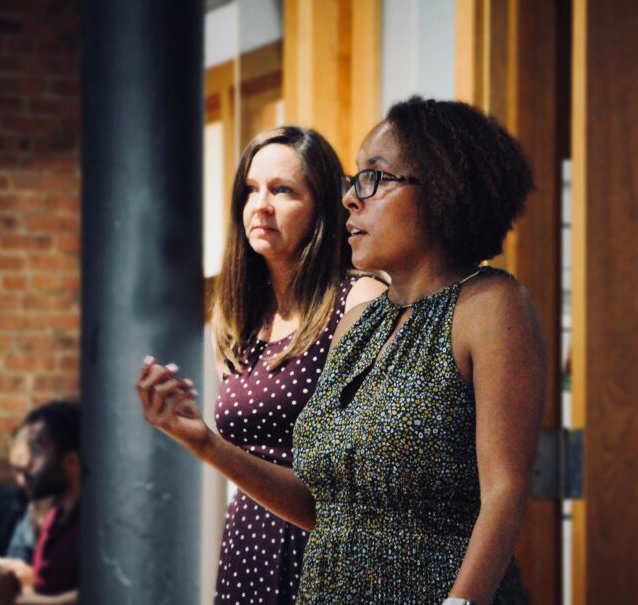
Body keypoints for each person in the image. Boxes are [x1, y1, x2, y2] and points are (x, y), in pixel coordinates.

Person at [137, 97, 546, 605]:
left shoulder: (488, 303)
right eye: (354, 181)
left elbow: (505, 491)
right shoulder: (360, 322)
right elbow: (320, 504)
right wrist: (204, 443)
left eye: (374, 178)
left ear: (442, 189)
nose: (351, 198)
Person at [171, 125, 385, 604]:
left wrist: (204, 442)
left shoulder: (359, 301)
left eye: (282, 190)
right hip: (249, 543)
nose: (260, 206)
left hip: (322, 551)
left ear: (323, 207)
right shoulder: (239, 314)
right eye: (251, 190)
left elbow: (347, 487)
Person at [0, 401, 81, 605]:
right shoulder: (53, 518)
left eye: (38, 451)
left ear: (70, 463)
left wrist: (15, 600)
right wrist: (18, 578)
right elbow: (44, 589)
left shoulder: (95, 525)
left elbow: (98, 596)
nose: (28, 464)